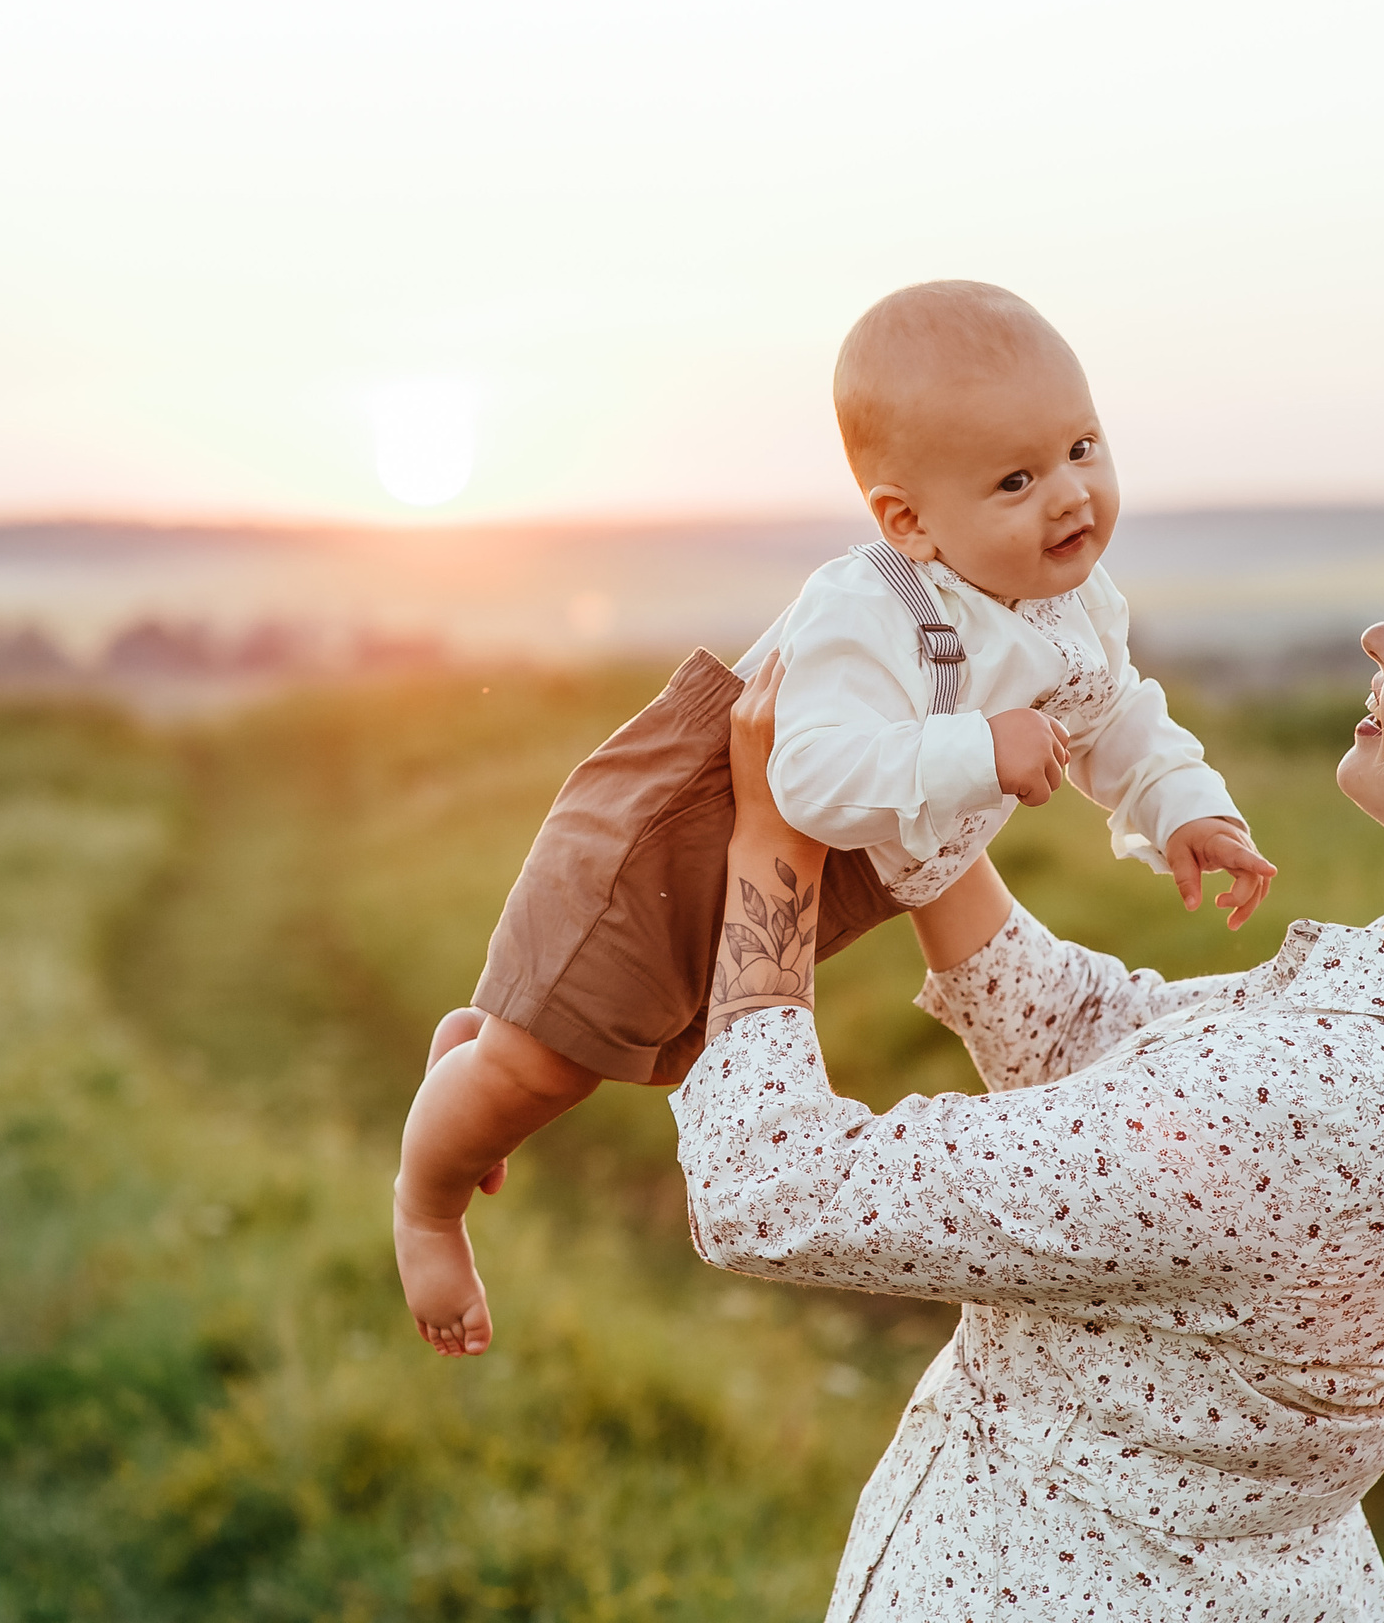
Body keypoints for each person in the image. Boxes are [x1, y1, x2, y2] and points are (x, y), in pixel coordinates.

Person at [673, 416, 1384, 1619]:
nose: (1379, 638)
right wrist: (917, 779)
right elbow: (1097, 1051)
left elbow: (773, 1188)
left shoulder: (1324, 1091)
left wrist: (772, 842)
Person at [396, 281, 1279, 1357]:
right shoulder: (873, 608)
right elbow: (802, 779)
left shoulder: (1073, 604)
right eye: (1015, 478)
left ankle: (495, 1035)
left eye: (1082, 449)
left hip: (807, 876)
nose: (1069, 496)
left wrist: (1186, 809)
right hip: (678, 839)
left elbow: (1117, 718)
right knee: (553, 1068)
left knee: (648, 1038)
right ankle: (427, 1200)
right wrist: (977, 747)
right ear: (907, 520)